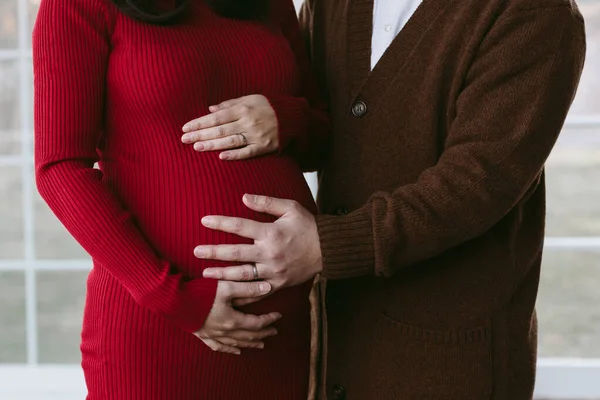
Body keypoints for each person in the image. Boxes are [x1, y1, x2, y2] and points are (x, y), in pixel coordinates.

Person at [188, 0, 587, 398]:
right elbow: (320, 122)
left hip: (450, 361)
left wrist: (327, 246)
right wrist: (284, 117)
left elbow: (479, 183)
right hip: (336, 344)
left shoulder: (535, 12)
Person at [33, 0, 328, 398]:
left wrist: (286, 117)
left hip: (276, 336)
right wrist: (175, 299)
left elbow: (324, 136)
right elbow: (60, 168)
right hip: (159, 333)